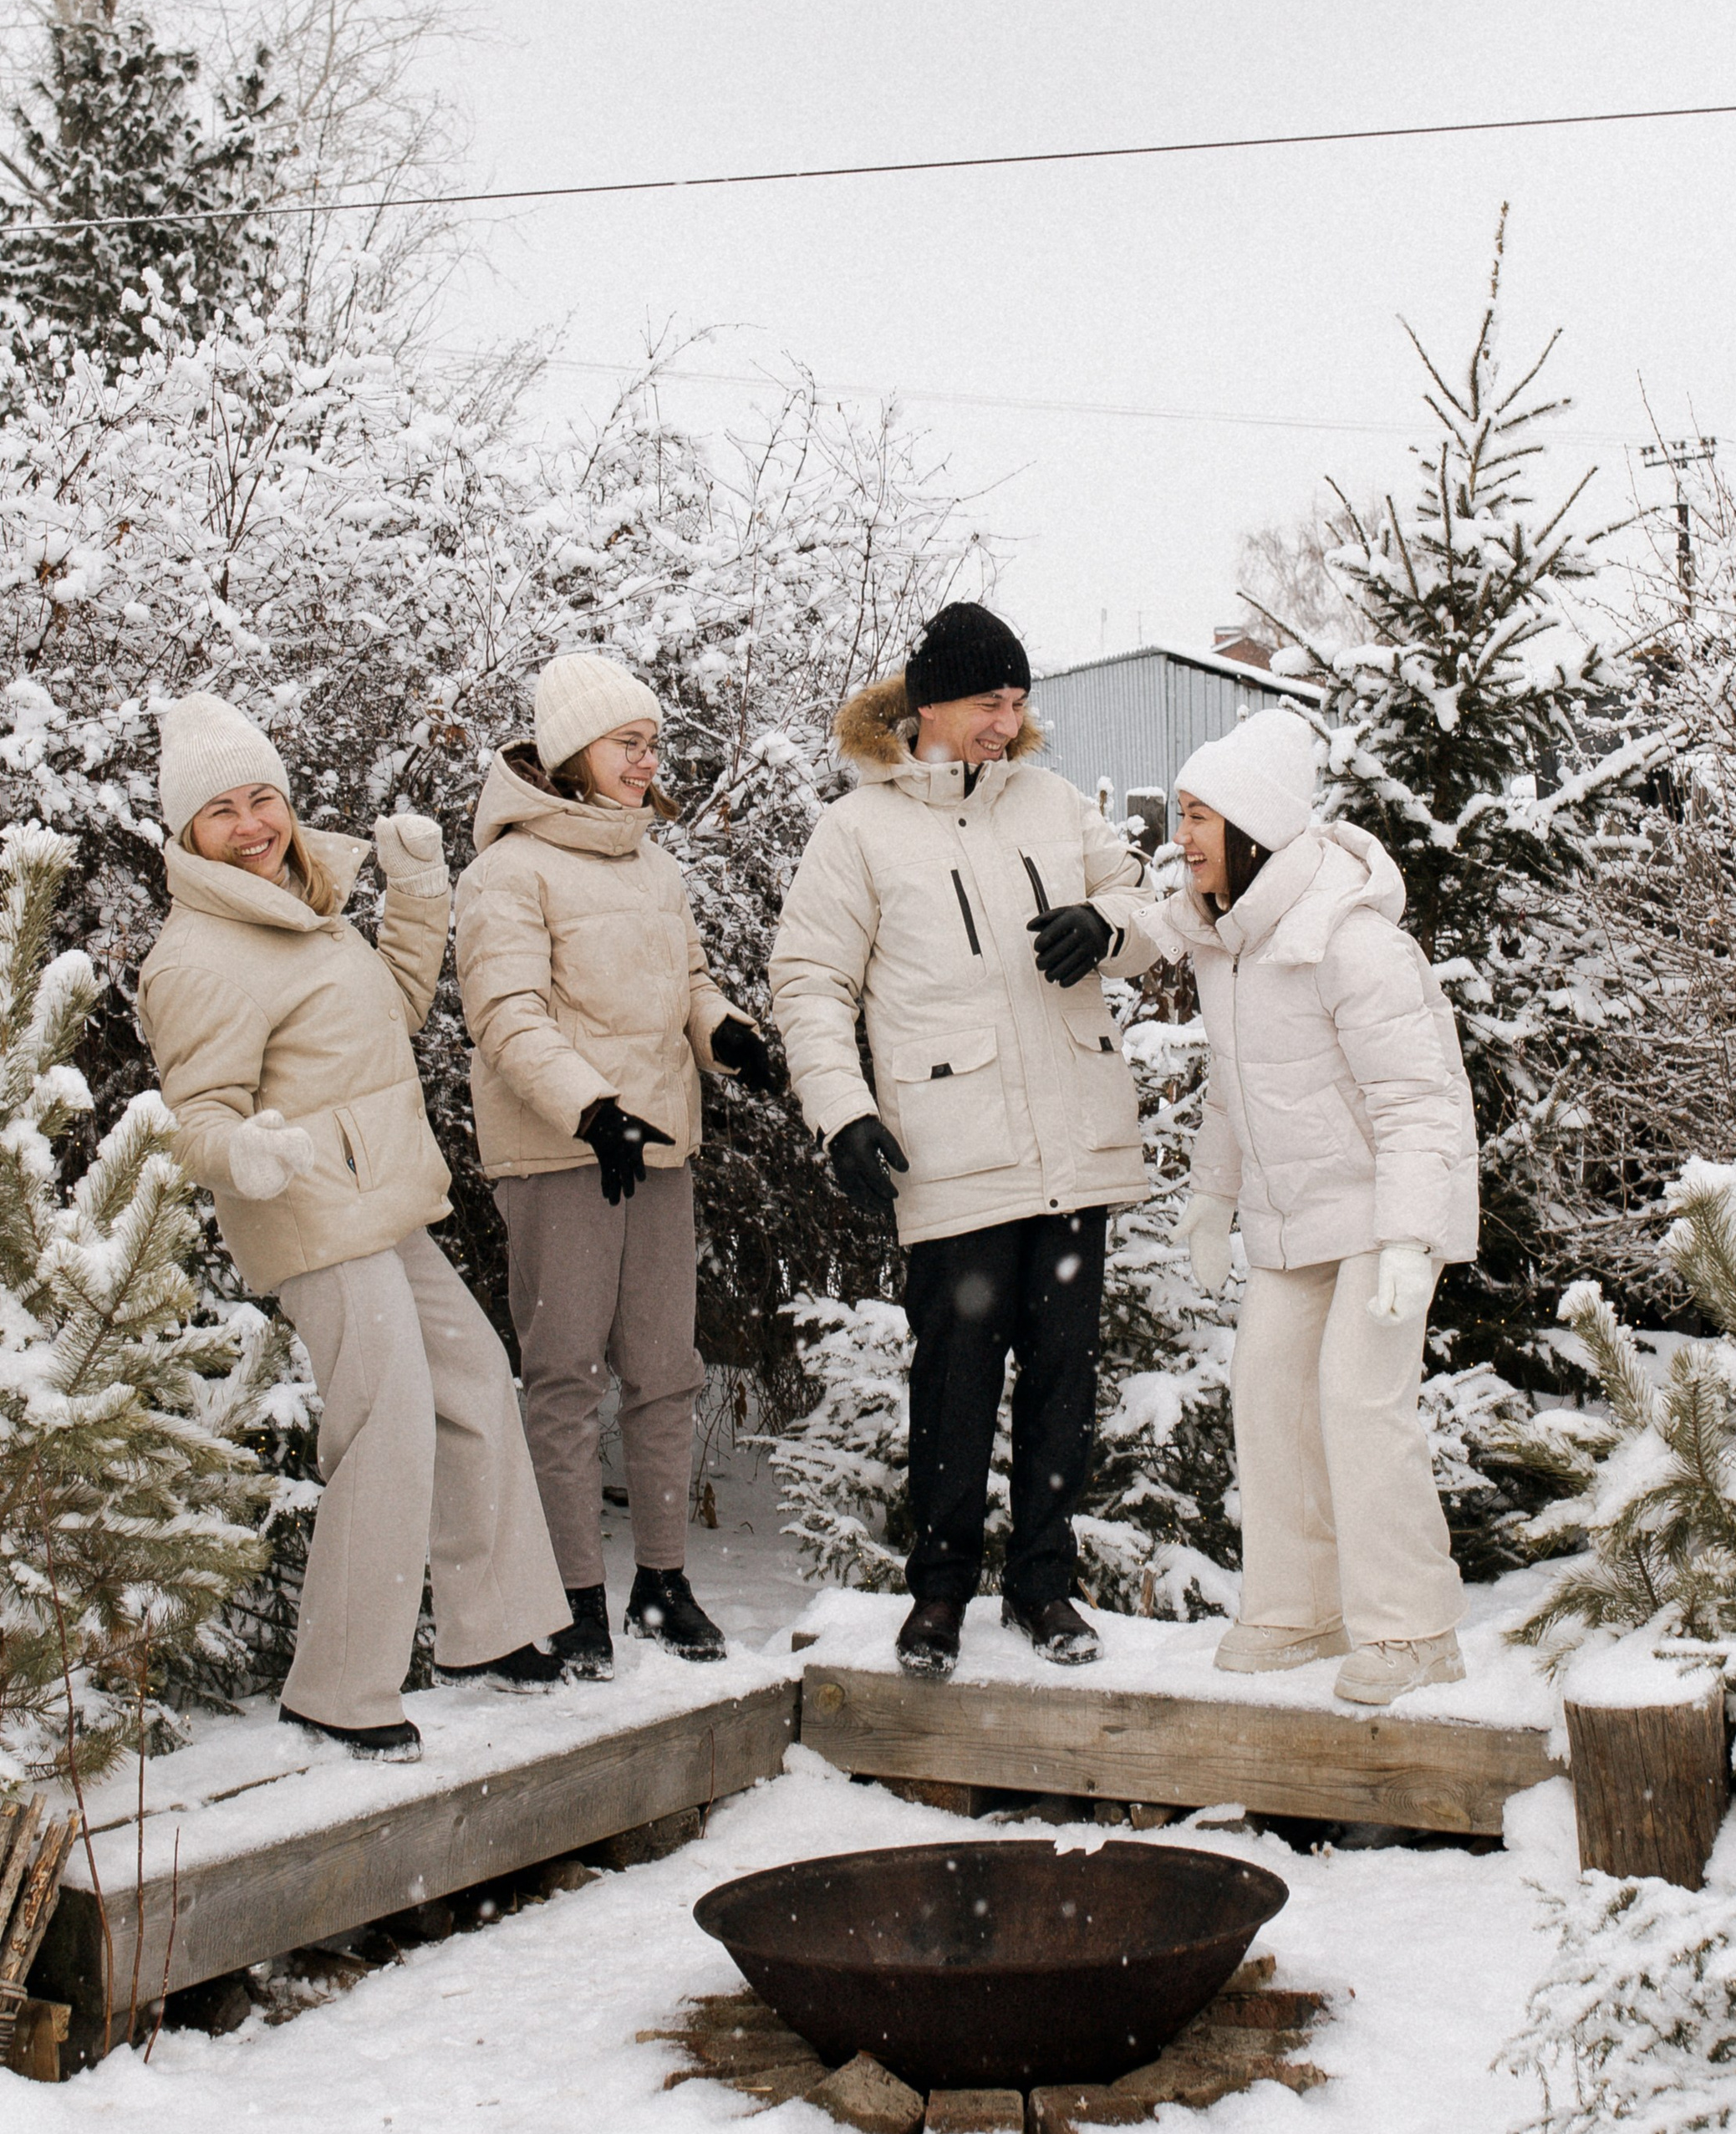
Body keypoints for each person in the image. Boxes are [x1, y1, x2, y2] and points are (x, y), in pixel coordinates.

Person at [136, 692, 571, 1762]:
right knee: (386, 1423)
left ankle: (493, 1629)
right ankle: (340, 1687)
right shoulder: (198, 955)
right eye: (222, 811)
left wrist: (419, 892)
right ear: (185, 833)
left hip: (375, 1198)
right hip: (311, 1215)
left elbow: (395, 1016)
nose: (252, 824)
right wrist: (240, 1153)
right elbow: (193, 1119)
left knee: (473, 1380)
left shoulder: (304, 907)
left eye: (263, 799)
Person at [769, 601, 1159, 1683]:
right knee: (955, 1382)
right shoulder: (858, 832)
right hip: (954, 1149)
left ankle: (1045, 1588)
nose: (1011, 719)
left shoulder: (1053, 804)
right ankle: (938, 1595)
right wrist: (841, 1110)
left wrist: (1109, 930)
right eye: (992, 699)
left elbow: (1145, 902)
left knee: (1064, 1382)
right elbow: (808, 980)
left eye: (1020, 699)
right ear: (931, 704)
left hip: (1073, 1141)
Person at [454, 653, 774, 1678]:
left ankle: (665, 1584)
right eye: (626, 744)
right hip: (561, 1150)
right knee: (561, 1376)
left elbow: (687, 981)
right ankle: (574, 1597)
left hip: (656, 1147)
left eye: (651, 744)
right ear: (569, 753)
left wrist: (725, 1036)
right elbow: (507, 1016)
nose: (646, 762)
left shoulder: (652, 864)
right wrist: (591, 1111)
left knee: (665, 1372)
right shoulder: (505, 871)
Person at [1155, 705, 1479, 1706]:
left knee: (1358, 1400)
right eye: (1179, 812)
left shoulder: (1351, 942)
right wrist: (1214, 1200)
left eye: (1201, 815)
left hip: (1385, 1216)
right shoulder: (1227, 941)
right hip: (1294, 1217)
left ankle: (1412, 1628)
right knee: (1266, 1390)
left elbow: (1417, 1100)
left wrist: (1410, 1238)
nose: (1182, 835)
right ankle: (1301, 1607)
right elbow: (1234, 1090)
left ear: (1251, 826)